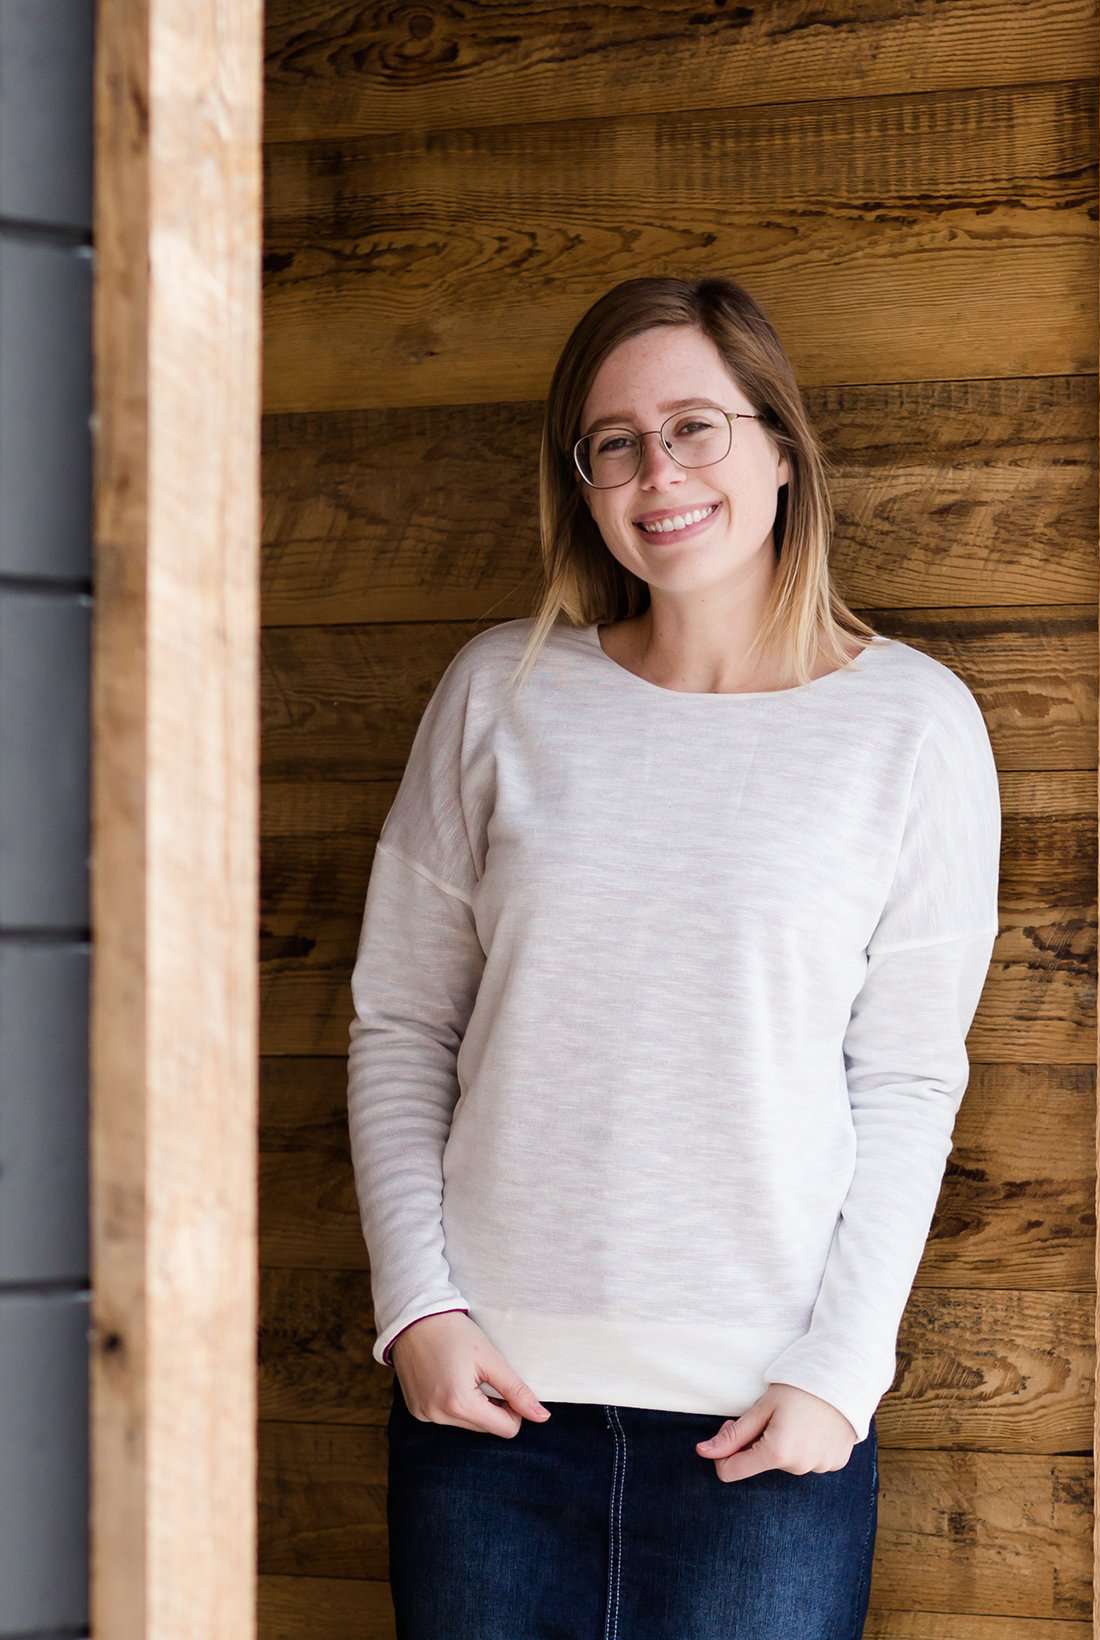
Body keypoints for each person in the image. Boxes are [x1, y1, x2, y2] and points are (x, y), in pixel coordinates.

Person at [346, 274, 1002, 1639]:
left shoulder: (912, 726)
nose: (659, 472)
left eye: (696, 426)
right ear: (582, 481)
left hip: (765, 1434)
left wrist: (840, 1372)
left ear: (778, 447)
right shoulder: (500, 695)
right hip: (488, 1421)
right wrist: (420, 1308)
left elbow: (907, 1082)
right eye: (615, 442)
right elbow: (402, 1023)